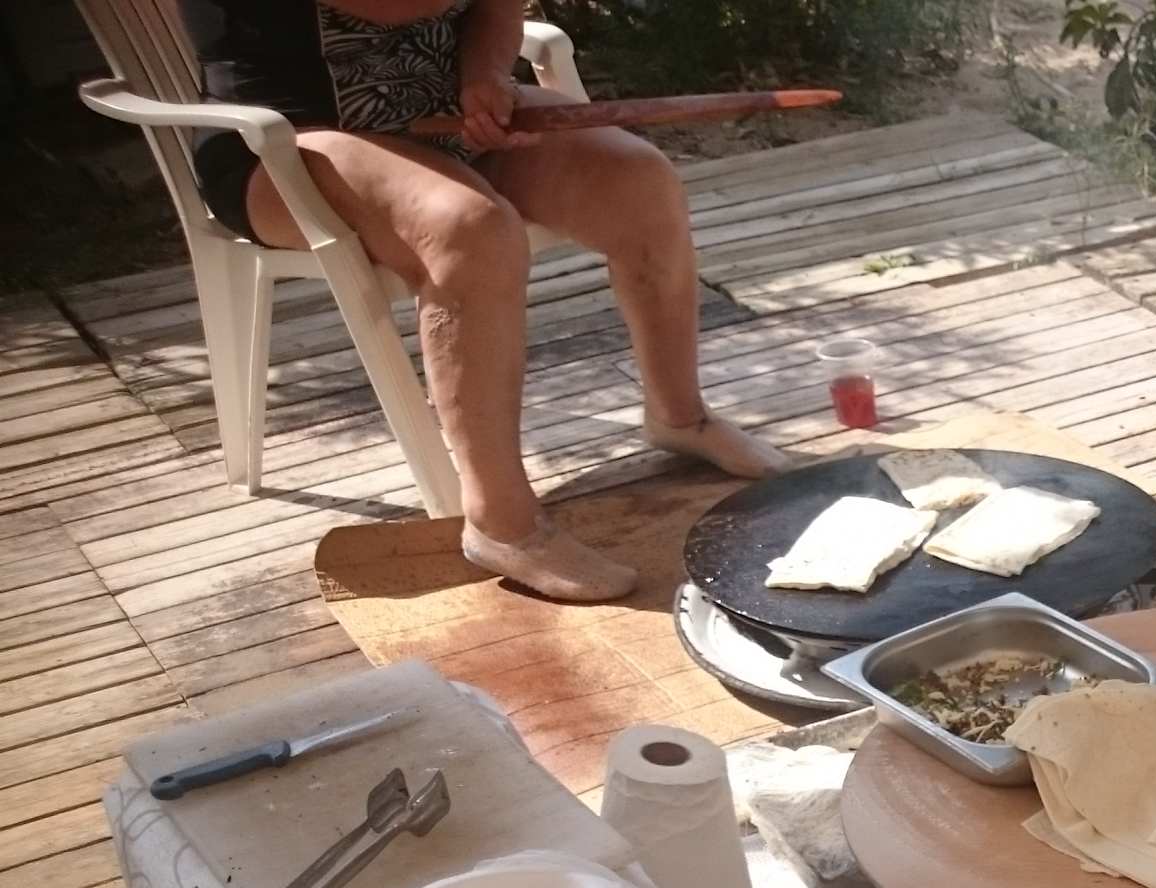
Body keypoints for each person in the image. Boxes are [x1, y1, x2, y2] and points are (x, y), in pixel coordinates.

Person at [178, 0, 788, 601]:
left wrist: (487, 75)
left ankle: (681, 419)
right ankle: (502, 523)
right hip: (285, 144)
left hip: (452, 119)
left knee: (640, 182)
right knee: (469, 229)